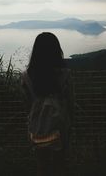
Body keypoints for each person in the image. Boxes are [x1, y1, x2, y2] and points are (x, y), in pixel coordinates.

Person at [21, 32, 73, 176]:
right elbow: (70, 103)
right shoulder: (65, 75)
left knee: (41, 166)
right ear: (57, 50)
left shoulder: (26, 77)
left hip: (36, 127)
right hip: (59, 127)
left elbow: (27, 105)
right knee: (60, 165)